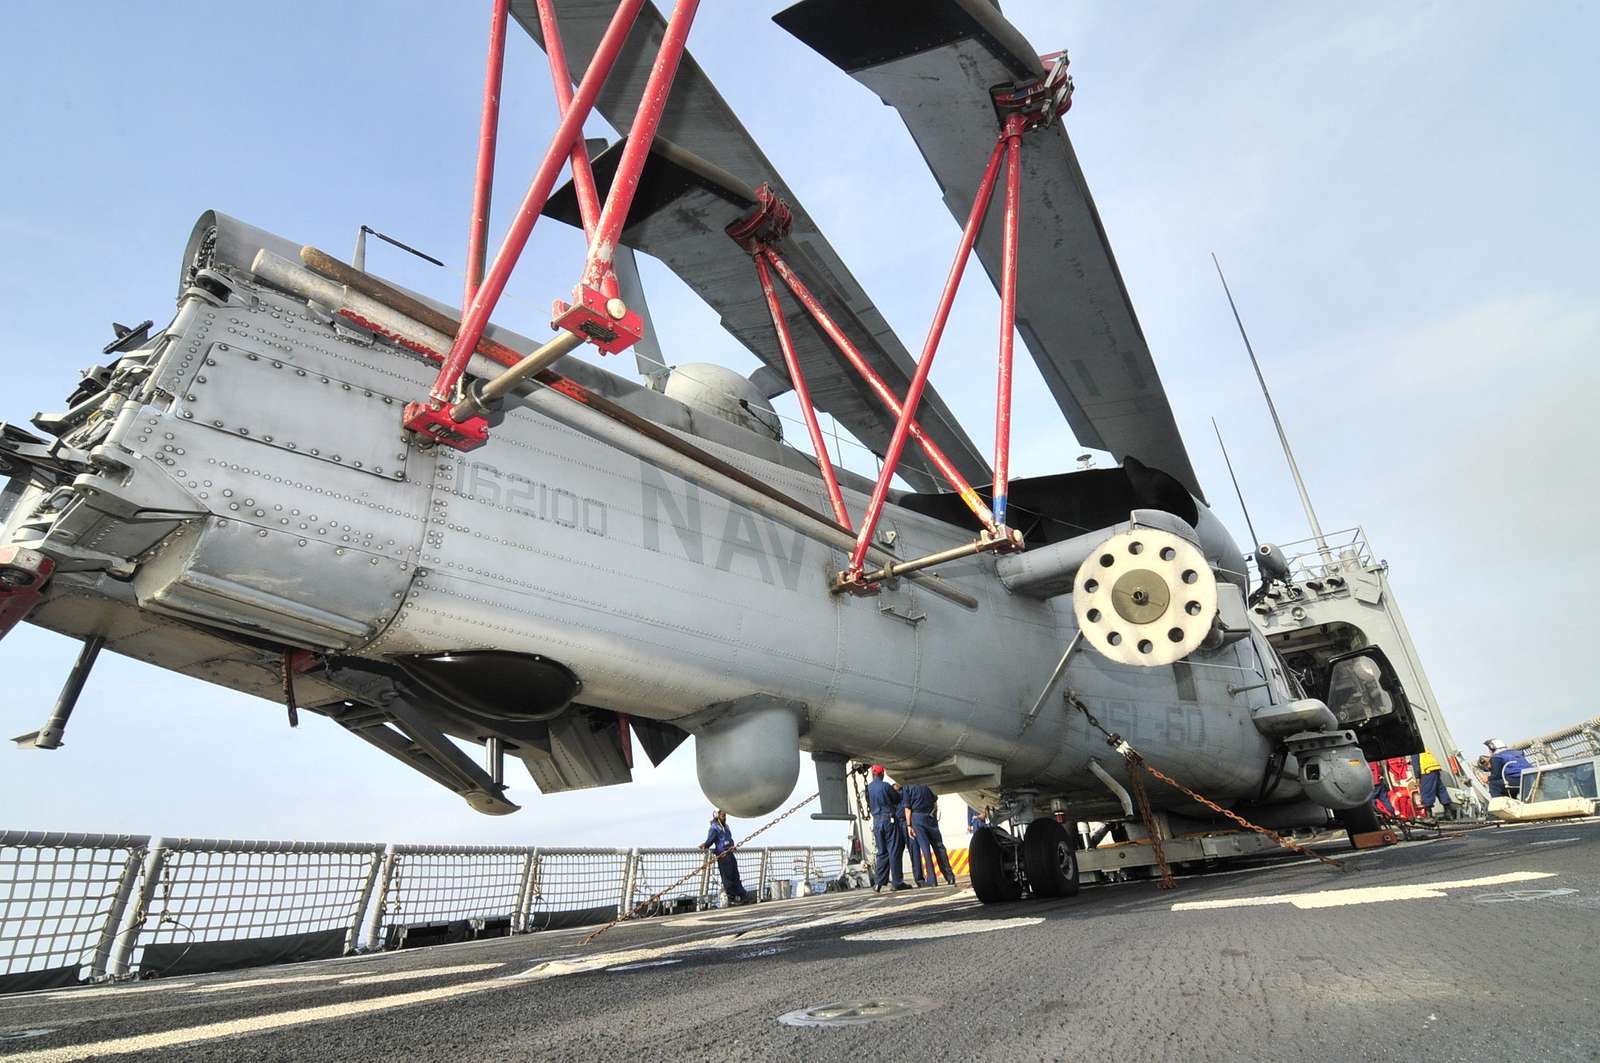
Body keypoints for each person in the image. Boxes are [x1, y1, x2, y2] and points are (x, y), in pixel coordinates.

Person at [902, 782, 957, 887]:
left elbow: (907, 808)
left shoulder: (908, 785)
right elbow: (935, 801)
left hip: (917, 818)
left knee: (925, 850)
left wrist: (909, 825)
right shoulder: (928, 782)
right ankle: (949, 876)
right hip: (930, 817)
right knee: (939, 847)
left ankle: (932, 880)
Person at [865, 765, 910, 892]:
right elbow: (896, 798)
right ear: (882, 774)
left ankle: (879, 883)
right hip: (888, 821)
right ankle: (897, 882)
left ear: (873, 774)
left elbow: (869, 802)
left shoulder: (869, 788)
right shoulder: (885, 786)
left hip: (877, 822)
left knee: (882, 852)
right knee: (893, 851)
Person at [698, 808, 750, 906]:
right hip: (723, 856)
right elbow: (710, 840)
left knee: (735, 875)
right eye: (723, 816)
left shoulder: (726, 827)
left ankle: (742, 895)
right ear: (717, 815)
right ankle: (732, 898)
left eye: (725, 816)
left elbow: (729, 838)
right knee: (727, 878)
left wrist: (732, 845)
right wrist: (705, 845)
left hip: (730, 854)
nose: (725, 818)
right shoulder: (714, 828)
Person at [1411, 749, 1454, 819]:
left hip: (1426, 772)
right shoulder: (1423, 747)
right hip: (1435, 769)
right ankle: (1449, 813)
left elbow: (1416, 764)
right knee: (1440, 790)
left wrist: (1417, 777)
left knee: (1426, 792)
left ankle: (1429, 816)